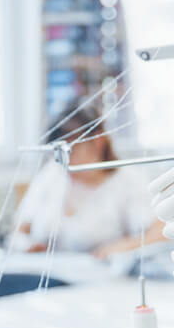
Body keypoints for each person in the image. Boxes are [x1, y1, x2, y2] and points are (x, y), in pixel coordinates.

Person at [10, 104, 165, 258]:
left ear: (98, 142)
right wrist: (24, 245)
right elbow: (20, 229)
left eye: (72, 150)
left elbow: (161, 232)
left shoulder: (128, 181)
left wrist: (126, 246)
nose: (65, 161)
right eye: (57, 153)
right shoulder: (52, 173)